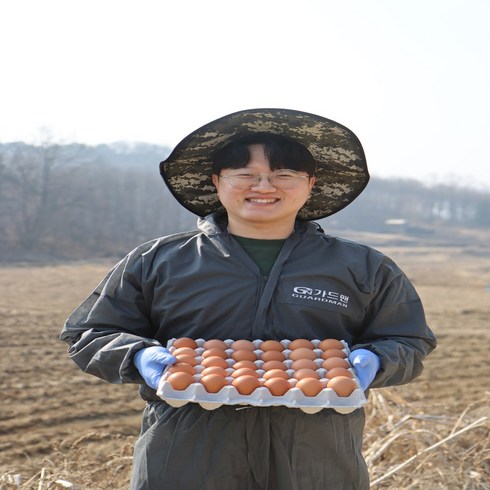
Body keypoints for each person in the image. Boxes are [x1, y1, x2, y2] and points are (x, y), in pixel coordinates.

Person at [60, 108, 436, 490]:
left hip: (317, 462)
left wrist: (378, 359)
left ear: (310, 185)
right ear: (217, 182)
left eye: (283, 175)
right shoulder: (160, 261)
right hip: (186, 460)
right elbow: (90, 332)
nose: (264, 186)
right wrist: (137, 355)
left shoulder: (362, 267)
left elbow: (408, 339)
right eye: (245, 175)